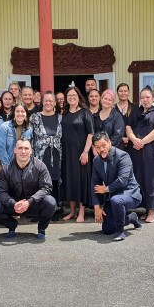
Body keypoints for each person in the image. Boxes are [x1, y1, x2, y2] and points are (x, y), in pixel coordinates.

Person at [0, 139, 55, 239]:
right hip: (13, 205)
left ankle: (42, 229)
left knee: (51, 202)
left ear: (31, 151)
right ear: (15, 150)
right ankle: (11, 225)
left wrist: (29, 202)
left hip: (33, 204)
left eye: (26, 148)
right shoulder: (6, 169)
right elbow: (0, 192)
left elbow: (46, 187)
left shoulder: (40, 166)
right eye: (20, 148)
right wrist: (13, 203)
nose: (23, 151)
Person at [91, 132, 143, 241]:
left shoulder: (123, 156)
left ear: (109, 142)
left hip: (130, 194)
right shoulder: (96, 161)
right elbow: (94, 184)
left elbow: (122, 180)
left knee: (116, 200)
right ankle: (131, 218)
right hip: (114, 197)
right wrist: (96, 206)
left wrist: (106, 189)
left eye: (104, 145)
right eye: (97, 147)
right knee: (108, 229)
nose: (101, 149)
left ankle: (120, 232)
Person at [126, 87, 154, 223]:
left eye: (148, 97)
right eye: (142, 97)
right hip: (136, 153)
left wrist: (142, 141)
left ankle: (152, 213)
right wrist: (133, 139)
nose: (145, 100)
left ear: (153, 98)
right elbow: (128, 127)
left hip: (152, 153)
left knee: (151, 181)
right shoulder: (136, 112)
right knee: (140, 180)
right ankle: (145, 209)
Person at [60, 86, 94, 222]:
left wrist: (86, 152)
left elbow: (91, 134)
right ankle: (72, 211)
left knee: (81, 182)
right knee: (69, 181)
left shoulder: (85, 113)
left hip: (81, 153)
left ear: (79, 97)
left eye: (74, 95)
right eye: (69, 96)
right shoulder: (65, 114)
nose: (72, 97)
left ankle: (81, 212)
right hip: (67, 154)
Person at [30, 92, 63, 220]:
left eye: (51, 101)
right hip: (40, 154)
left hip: (56, 154)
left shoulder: (60, 118)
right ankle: (39, 211)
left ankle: (53, 209)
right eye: (46, 101)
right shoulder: (35, 117)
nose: (48, 103)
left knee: (54, 181)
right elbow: (30, 136)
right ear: (42, 102)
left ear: (55, 103)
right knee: (40, 181)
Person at [114, 83, 139, 149]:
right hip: (117, 143)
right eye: (121, 91)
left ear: (128, 92)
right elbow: (110, 126)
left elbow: (138, 125)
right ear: (117, 93)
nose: (123, 93)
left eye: (125, 91)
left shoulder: (135, 108)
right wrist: (121, 138)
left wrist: (130, 137)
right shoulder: (113, 109)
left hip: (132, 143)